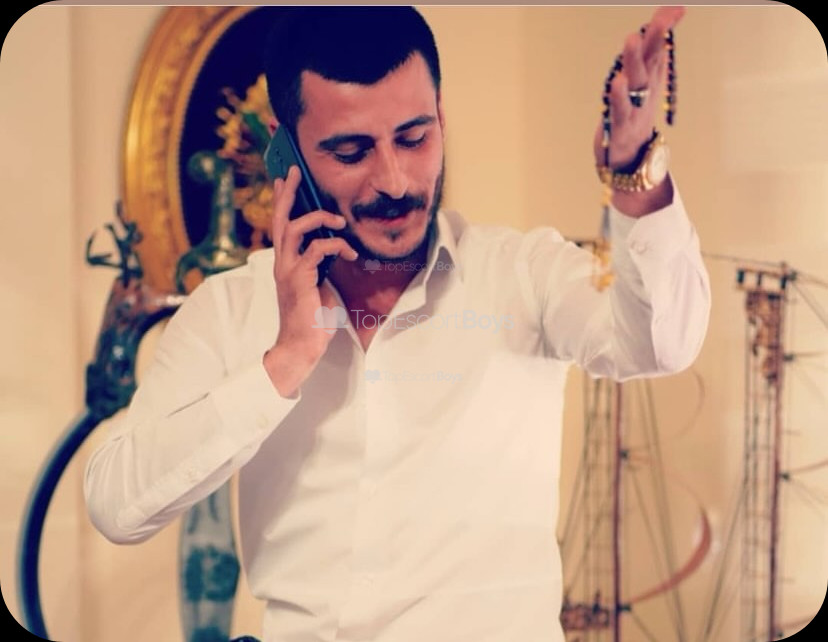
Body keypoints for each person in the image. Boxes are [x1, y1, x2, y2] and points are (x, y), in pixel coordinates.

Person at [85, 6, 709, 642]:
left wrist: (636, 171)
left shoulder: (524, 274)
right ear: (284, 149)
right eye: (351, 151)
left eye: (414, 139)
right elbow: (116, 506)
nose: (393, 181)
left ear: (441, 117)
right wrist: (283, 362)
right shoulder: (229, 309)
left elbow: (662, 342)